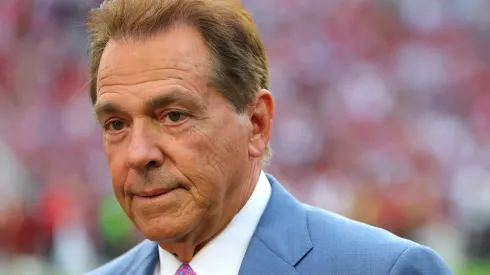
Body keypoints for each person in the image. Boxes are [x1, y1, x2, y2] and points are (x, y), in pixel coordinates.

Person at [85, 0, 453, 274]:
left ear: (257, 123)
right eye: (116, 124)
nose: (138, 154)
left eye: (174, 116)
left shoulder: (386, 270)